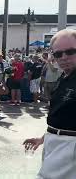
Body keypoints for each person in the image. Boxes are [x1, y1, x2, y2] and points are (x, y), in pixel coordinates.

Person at [23, 29, 76, 178]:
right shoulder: (64, 77)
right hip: (54, 141)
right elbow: (62, 116)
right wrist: (44, 138)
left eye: (71, 51)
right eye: (58, 54)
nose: (64, 57)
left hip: (70, 146)